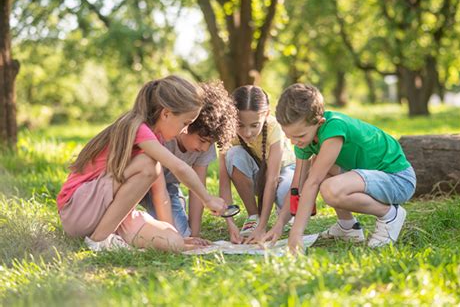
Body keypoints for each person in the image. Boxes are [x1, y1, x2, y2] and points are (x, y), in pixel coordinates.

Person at [56, 75, 226, 252]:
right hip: (79, 209)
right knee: (148, 165)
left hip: (106, 213)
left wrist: (174, 234)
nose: (184, 130)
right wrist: (207, 199)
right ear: (166, 113)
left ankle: (105, 236)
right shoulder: (137, 128)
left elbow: (160, 192)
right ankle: (98, 240)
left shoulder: (155, 140)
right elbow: (179, 167)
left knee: (173, 243)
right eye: (186, 123)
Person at [263, 83, 416, 252]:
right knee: (318, 166)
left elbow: (313, 182)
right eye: (289, 136)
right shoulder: (305, 138)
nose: (294, 142)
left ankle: (390, 215)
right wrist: (278, 226)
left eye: (299, 136)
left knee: (330, 188)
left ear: (319, 122)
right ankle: (348, 228)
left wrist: (296, 234)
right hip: (372, 178)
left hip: (398, 180)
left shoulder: (334, 128)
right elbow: (297, 186)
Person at [140, 81, 238, 240]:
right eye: (201, 140)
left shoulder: (204, 148)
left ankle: (175, 208)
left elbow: (197, 190)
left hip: (169, 187)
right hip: (143, 182)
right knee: (170, 234)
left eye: (210, 143)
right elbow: (159, 189)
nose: (205, 148)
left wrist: (195, 234)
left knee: (182, 234)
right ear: (187, 125)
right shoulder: (163, 134)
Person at [219, 85, 296, 243]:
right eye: (240, 125)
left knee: (283, 192)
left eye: (254, 125)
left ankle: (282, 213)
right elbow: (224, 183)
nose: (247, 133)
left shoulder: (275, 128)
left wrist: (262, 227)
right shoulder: (227, 133)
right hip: (256, 173)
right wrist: (230, 224)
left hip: (283, 172)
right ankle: (253, 215)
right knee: (234, 155)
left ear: (266, 114)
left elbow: (272, 179)